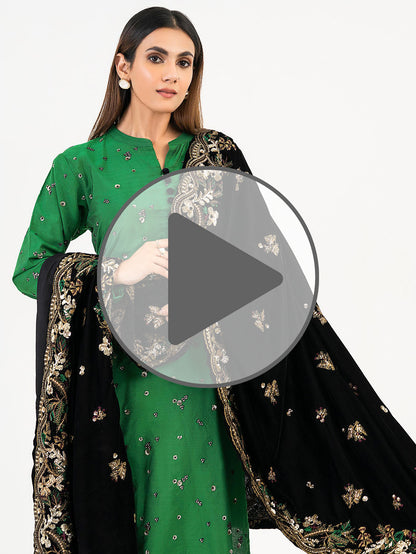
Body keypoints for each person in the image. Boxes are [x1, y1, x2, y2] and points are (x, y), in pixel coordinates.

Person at [12, 7, 416, 554]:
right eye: (156, 58)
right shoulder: (82, 165)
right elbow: (31, 268)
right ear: (123, 67)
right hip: (128, 382)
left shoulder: (214, 156)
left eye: (185, 62)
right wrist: (116, 271)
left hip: (213, 386)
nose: (172, 74)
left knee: (206, 527)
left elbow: (268, 272)